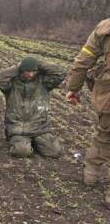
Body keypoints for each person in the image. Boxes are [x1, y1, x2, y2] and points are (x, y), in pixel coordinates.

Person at [66, 18, 110, 206]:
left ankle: (90, 175)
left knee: (103, 134)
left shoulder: (105, 27)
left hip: (107, 94)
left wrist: (73, 88)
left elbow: (83, 61)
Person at [0, 56, 65, 158]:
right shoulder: (11, 85)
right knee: (22, 152)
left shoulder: (44, 82)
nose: (31, 74)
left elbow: (60, 73)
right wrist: (19, 66)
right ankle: (22, 142)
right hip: (19, 129)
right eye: (27, 71)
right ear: (21, 71)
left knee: (55, 152)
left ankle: (36, 142)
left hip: (40, 127)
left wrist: (38, 64)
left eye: (34, 71)